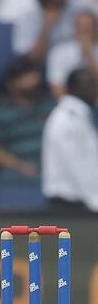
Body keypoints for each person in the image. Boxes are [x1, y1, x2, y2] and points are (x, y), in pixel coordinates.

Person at [42, 68, 98, 211]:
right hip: (69, 205)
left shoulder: (81, 116)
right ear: (76, 87)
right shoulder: (66, 118)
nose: (95, 88)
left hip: (83, 201)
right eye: (90, 83)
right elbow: (77, 164)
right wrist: (95, 201)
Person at [0, 57, 55, 177]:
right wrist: (21, 166)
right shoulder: (1, 113)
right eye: (26, 75)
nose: (34, 79)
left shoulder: (51, 108)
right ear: (12, 83)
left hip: (53, 174)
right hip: (16, 178)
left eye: (34, 73)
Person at [13, 0, 86, 63]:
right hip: (48, 67)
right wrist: (45, 29)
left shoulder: (79, 6)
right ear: (45, 0)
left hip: (83, 60)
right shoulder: (28, 19)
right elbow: (29, 61)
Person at [47, 10, 98, 97]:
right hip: (70, 102)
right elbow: (57, 87)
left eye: (88, 26)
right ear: (74, 28)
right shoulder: (59, 52)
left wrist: (90, 57)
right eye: (81, 26)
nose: (84, 29)